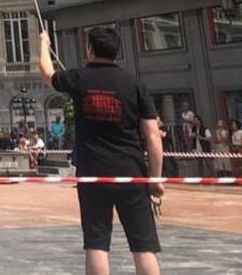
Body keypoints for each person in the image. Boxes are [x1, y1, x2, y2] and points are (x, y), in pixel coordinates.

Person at [39, 27, 163, 275]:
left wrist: (43, 43)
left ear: (89, 49)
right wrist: (155, 179)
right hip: (132, 173)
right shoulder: (134, 83)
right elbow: (153, 137)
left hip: (93, 173)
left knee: (96, 243)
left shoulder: (79, 78)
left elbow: (47, 73)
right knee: (143, 245)